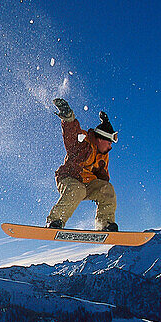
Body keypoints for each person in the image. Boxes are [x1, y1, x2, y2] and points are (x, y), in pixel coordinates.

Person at [46, 98, 119, 231]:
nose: (110, 146)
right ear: (100, 139)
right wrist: (68, 117)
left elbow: (103, 179)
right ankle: (55, 221)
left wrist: (101, 194)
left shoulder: (103, 156)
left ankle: (105, 224)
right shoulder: (83, 142)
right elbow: (71, 133)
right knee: (77, 190)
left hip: (87, 183)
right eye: (109, 143)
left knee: (107, 189)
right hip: (69, 178)